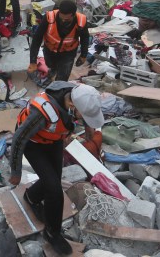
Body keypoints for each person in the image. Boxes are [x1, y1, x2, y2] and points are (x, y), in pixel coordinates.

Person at [8, 82, 105, 255]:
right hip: (33, 143)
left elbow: (75, 117)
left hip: (53, 140)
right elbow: (18, 139)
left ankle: (31, 197)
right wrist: (16, 171)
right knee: (55, 191)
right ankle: (52, 233)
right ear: (71, 106)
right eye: (83, 117)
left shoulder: (76, 93)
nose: (83, 121)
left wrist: (87, 128)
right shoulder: (42, 113)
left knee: (54, 179)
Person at [28, 0, 89, 83]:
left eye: (67, 19)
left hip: (68, 53)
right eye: (61, 18)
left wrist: (83, 55)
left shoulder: (81, 21)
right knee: (50, 64)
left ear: (73, 15)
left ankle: (57, 89)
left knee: (62, 79)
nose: (63, 21)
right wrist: (33, 61)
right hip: (50, 49)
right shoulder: (49, 17)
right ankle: (53, 70)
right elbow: (37, 39)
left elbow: (84, 38)